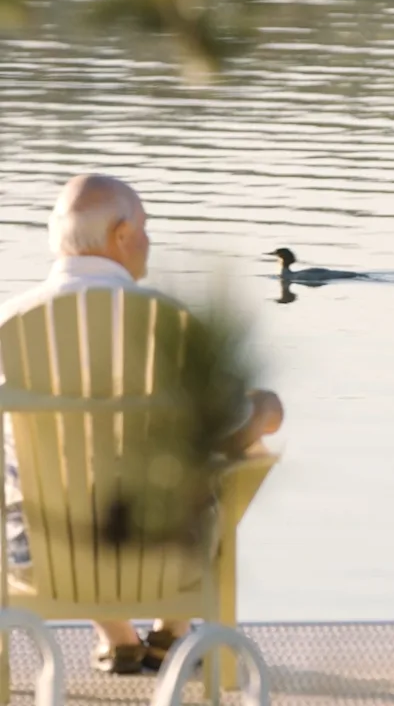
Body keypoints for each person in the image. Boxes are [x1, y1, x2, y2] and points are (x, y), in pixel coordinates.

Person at [0, 174, 285, 674]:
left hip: (39, 560)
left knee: (35, 479)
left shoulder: (7, 324)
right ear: (122, 234)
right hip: (163, 559)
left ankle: (119, 639)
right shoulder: (172, 322)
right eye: (146, 227)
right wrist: (263, 408)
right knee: (235, 457)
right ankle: (172, 631)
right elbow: (227, 430)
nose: (149, 241)